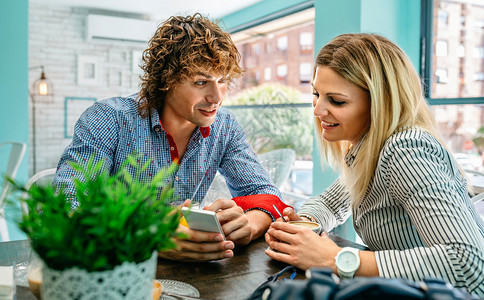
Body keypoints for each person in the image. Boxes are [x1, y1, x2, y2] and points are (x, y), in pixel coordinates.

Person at [54, 13, 291, 262]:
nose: (216, 97)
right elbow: (66, 208)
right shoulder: (108, 120)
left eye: (222, 81)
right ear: (166, 80)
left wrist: (248, 225)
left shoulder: (225, 126)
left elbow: (267, 194)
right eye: (201, 82)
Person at [264, 33, 484, 296]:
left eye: (336, 100)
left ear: (381, 102)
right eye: (316, 93)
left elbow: (468, 264)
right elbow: (330, 203)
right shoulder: (370, 149)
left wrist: (337, 259)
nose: (318, 109)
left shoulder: (406, 151)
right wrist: (304, 226)